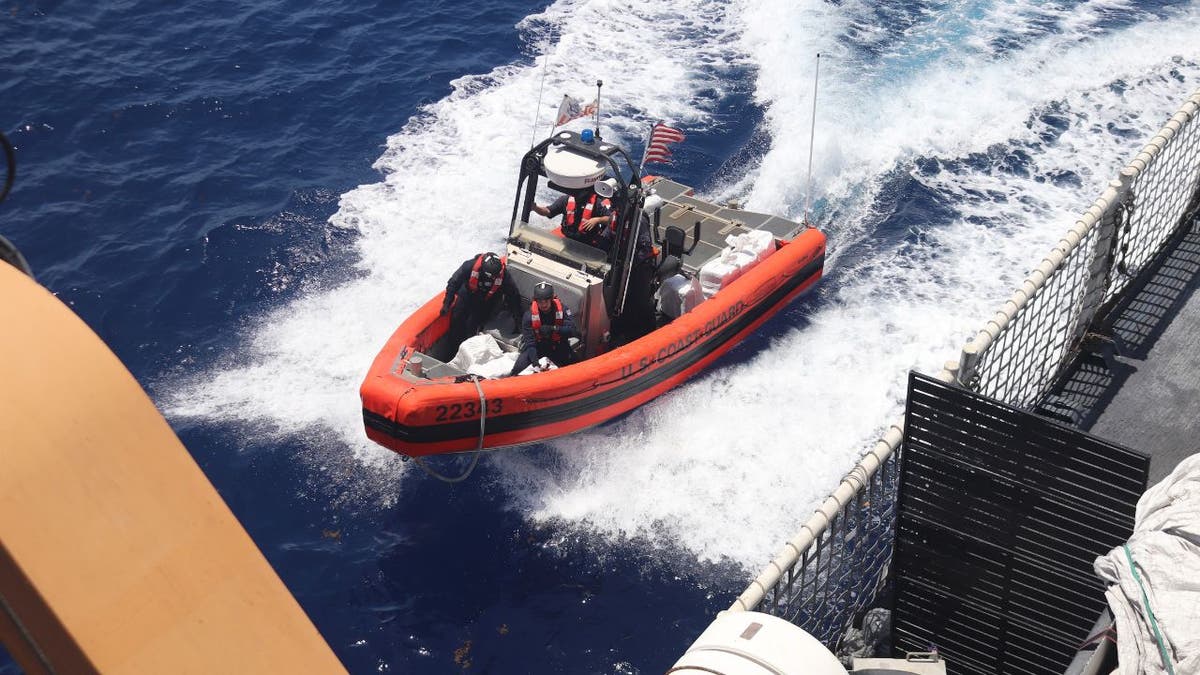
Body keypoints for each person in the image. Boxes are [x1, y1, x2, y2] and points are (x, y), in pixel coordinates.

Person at [439, 252, 523, 360]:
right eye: (491, 276)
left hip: (485, 303)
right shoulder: (469, 266)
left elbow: (513, 296)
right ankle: (452, 352)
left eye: (495, 276)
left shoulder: (504, 276)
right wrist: (447, 303)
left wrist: (518, 320)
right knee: (456, 322)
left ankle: (468, 356)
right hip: (466, 297)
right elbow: (453, 282)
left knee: (471, 327)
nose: (493, 278)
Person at [510, 282, 580, 375]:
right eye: (540, 302)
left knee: (575, 365)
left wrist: (554, 329)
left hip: (558, 345)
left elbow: (573, 331)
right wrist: (535, 363)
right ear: (535, 301)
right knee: (518, 368)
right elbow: (530, 342)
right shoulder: (529, 316)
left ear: (551, 299)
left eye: (546, 301)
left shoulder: (562, 310)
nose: (543, 305)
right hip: (537, 346)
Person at [532, 183, 615, 251]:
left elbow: (611, 219)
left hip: (587, 245)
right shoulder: (565, 200)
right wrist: (535, 208)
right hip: (567, 241)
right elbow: (548, 211)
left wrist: (597, 220)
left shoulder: (596, 203)